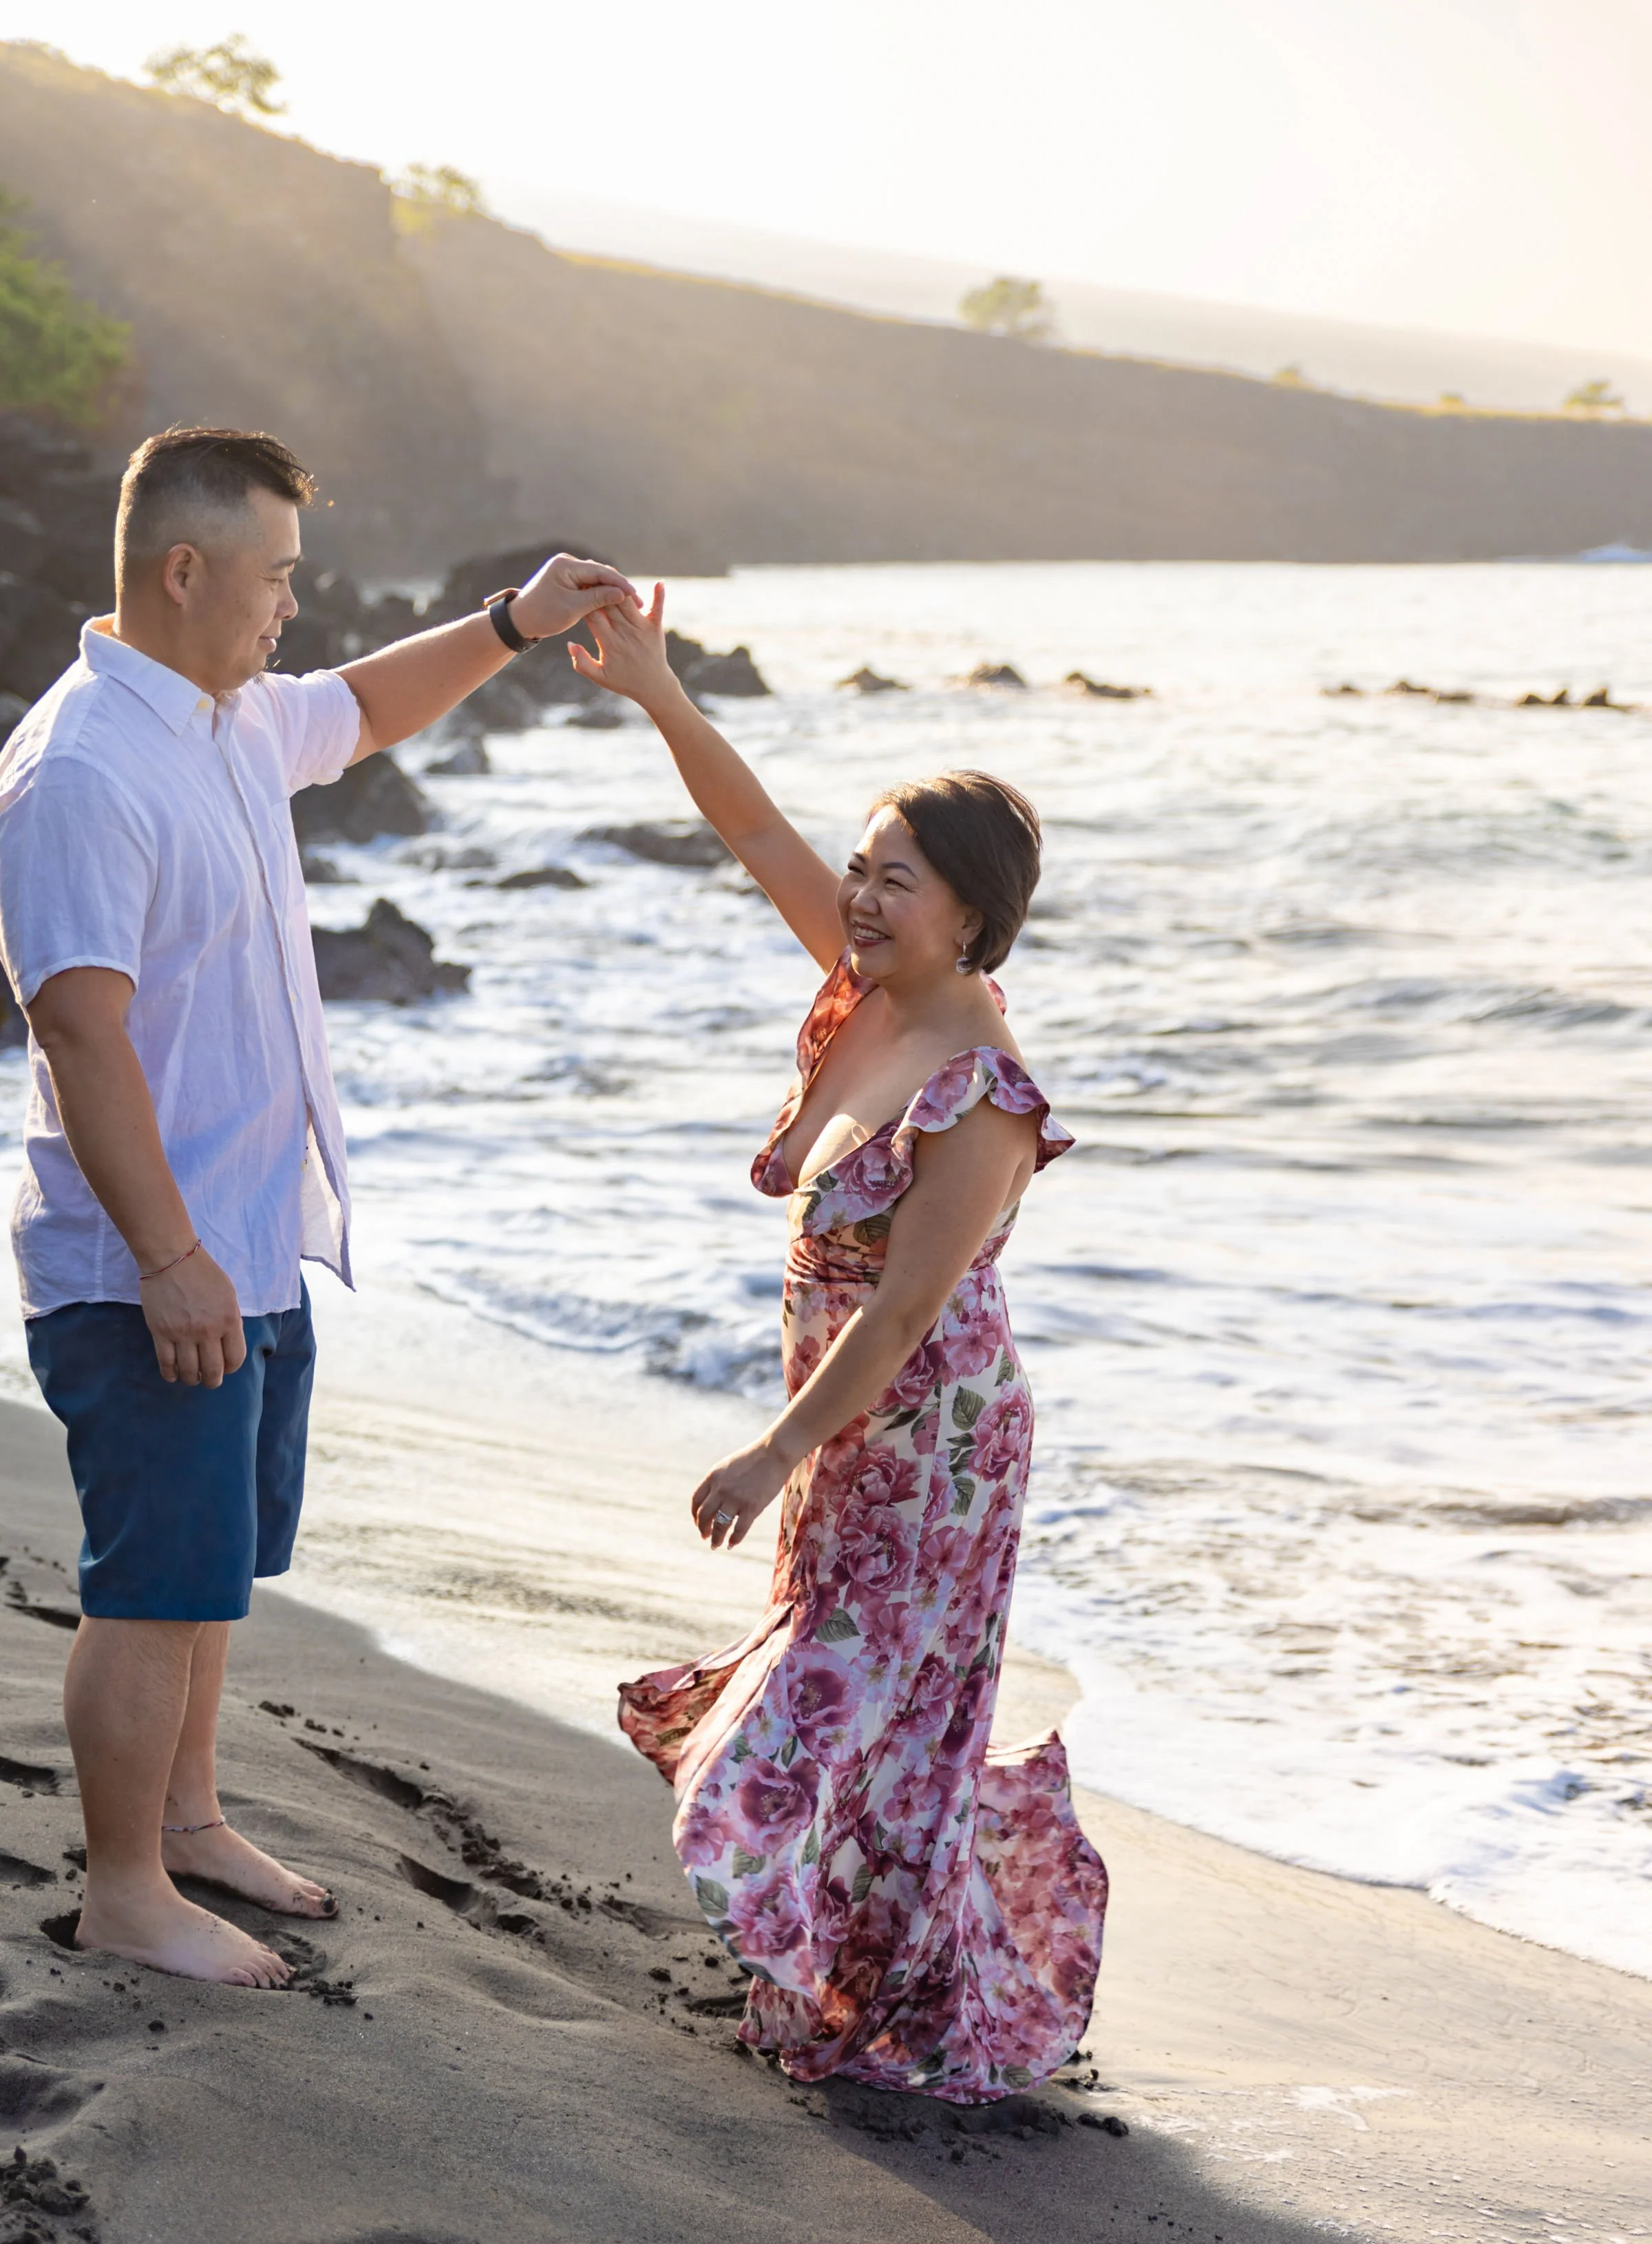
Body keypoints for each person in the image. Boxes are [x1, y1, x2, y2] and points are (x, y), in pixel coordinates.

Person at [0, 426, 637, 1988]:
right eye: (277, 576)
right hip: (150, 1257)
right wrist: (168, 1259)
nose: (296, 603)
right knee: (153, 1588)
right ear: (184, 570)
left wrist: (511, 623)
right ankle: (129, 1889)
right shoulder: (84, 767)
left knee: (210, 1569)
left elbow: (359, 712)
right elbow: (75, 1030)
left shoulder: (219, 719)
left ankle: (195, 1819)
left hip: (239, 1236)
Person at [578, 588, 1107, 2100]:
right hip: (852, 1431)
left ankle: (897, 1993)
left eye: (899, 883)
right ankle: (845, 1984)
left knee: (846, 1719)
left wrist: (774, 1447)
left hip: (929, 1446)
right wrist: (665, 695)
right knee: (855, 1712)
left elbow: (905, 1310)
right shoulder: (873, 989)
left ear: (973, 916)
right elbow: (754, 834)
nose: (863, 901)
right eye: (864, 871)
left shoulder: (982, 1089)